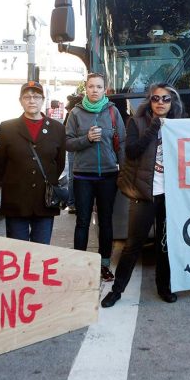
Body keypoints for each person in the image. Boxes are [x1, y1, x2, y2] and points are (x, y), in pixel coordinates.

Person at [101, 83, 184, 308]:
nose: (160, 103)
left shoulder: (180, 126)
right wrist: (154, 127)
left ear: (172, 102)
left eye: (166, 99)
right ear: (150, 101)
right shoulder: (136, 123)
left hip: (171, 196)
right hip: (144, 193)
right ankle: (117, 291)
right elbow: (132, 151)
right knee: (133, 245)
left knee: (165, 245)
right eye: (156, 98)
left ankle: (164, 287)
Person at [65, 72, 126, 281]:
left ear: (104, 90)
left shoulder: (113, 112)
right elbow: (67, 143)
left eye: (99, 87)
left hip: (109, 174)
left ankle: (104, 265)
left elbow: (122, 144)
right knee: (82, 221)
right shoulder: (75, 113)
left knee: (106, 221)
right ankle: (81, 265)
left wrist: (124, 172)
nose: (94, 90)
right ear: (85, 88)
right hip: (83, 176)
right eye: (91, 86)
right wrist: (87, 139)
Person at [0, 82, 66, 244]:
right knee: (17, 251)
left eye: (36, 96)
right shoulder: (8, 127)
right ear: (20, 100)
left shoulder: (57, 128)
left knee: (40, 252)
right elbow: (0, 163)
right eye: (27, 97)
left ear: (43, 100)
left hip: (45, 200)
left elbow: (59, 163)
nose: (32, 100)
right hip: (16, 199)